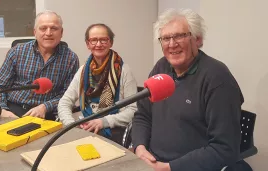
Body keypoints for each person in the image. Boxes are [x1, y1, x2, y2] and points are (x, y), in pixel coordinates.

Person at [132, 9, 247, 171]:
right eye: (165, 38)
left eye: (179, 36)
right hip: (152, 162)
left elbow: (225, 148)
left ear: (198, 39)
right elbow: (143, 115)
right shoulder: (161, 66)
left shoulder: (218, 78)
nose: (172, 44)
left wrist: (168, 167)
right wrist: (140, 148)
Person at [0, 10, 79, 121]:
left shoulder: (71, 58)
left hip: (47, 114)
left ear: (61, 32)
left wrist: (45, 107)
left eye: (54, 28)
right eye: (43, 28)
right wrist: (2, 110)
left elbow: (68, 95)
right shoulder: (17, 52)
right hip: (13, 109)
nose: (48, 33)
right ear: (35, 32)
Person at [58, 23, 137, 145]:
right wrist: (71, 125)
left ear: (110, 43)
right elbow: (64, 102)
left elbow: (133, 110)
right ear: (88, 44)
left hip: (113, 130)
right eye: (94, 40)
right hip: (86, 127)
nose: (98, 44)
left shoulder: (124, 70)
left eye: (103, 40)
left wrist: (103, 122)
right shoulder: (83, 70)